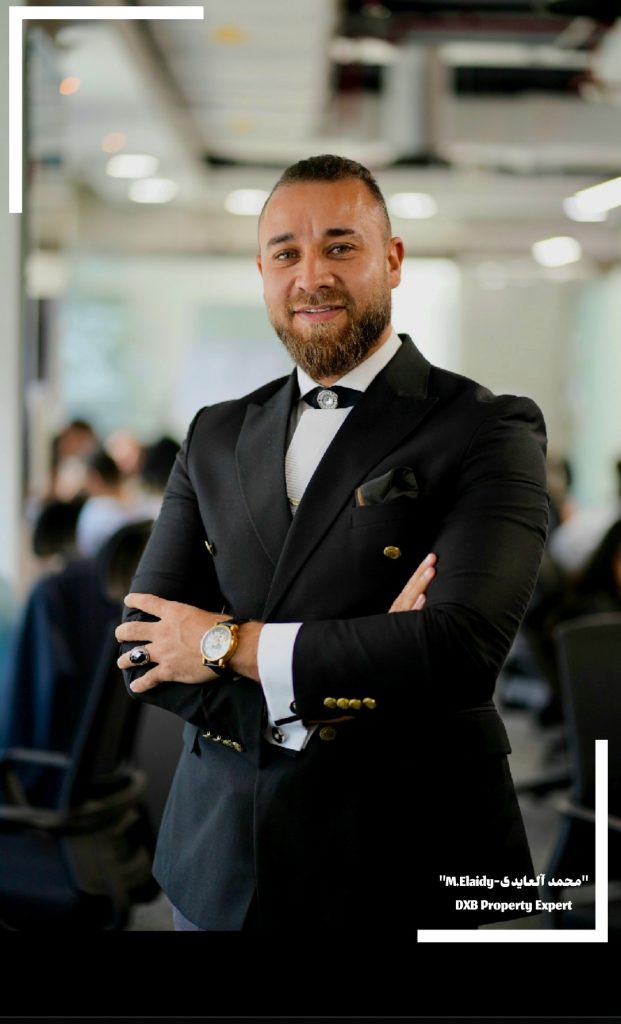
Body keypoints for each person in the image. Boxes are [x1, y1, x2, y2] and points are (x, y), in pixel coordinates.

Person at [116, 154, 549, 933]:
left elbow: (457, 647)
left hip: (402, 848)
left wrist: (221, 642)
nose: (311, 276)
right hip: (222, 854)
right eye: (286, 253)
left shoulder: (486, 428)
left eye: (340, 246)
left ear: (392, 259)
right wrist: (375, 654)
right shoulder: (216, 433)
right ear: (262, 272)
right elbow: (146, 648)